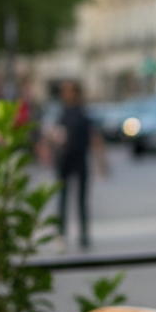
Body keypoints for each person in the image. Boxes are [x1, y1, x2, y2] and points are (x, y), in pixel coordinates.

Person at [49, 79, 107, 250]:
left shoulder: (83, 113)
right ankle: (61, 234)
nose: (67, 94)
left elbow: (94, 136)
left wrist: (101, 161)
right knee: (63, 198)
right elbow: (52, 133)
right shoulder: (60, 112)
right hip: (64, 160)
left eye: (70, 91)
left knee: (81, 199)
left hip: (80, 159)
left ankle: (83, 235)